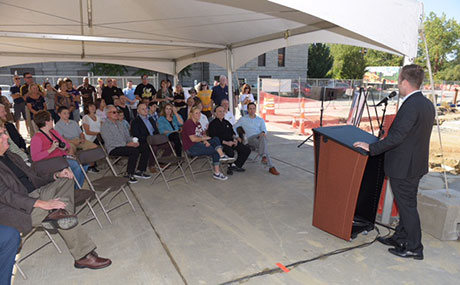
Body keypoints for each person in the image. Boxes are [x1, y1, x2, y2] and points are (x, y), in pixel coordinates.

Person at [0, 121, 112, 270]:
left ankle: (59, 213)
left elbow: (34, 176)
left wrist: (56, 175)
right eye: (1, 134)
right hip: (19, 208)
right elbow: (7, 196)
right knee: (64, 218)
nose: (6, 136)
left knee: (66, 178)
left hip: (36, 193)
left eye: (4, 132)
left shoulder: (11, 156)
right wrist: (42, 204)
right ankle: (83, 256)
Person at [353, 64, 435, 260]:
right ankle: (400, 237)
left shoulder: (411, 105)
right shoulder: (426, 104)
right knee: (408, 204)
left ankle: (415, 248)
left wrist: (371, 148)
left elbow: (397, 136)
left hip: (404, 167)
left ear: (405, 82)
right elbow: (410, 135)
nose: (398, 85)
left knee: (407, 208)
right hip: (415, 165)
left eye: (399, 81)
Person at [30, 110, 88, 189]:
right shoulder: (37, 138)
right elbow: (35, 157)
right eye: (51, 119)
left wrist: (64, 147)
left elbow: (66, 144)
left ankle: (77, 188)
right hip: (50, 162)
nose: (52, 121)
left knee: (84, 164)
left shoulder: (53, 132)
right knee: (76, 166)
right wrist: (51, 149)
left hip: (61, 158)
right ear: (46, 122)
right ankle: (74, 189)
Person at [100, 105, 151, 183]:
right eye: (114, 112)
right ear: (108, 114)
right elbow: (110, 141)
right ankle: (129, 174)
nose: (116, 113)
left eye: (117, 112)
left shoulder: (120, 123)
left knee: (145, 146)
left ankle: (141, 170)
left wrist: (134, 142)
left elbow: (127, 136)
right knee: (134, 151)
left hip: (125, 145)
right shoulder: (104, 126)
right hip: (114, 148)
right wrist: (127, 144)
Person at [181, 106, 232, 181]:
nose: (198, 115)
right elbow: (193, 139)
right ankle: (217, 171)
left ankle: (222, 156)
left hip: (199, 144)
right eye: (196, 113)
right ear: (191, 114)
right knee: (215, 150)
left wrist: (205, 141)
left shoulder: (198, 123)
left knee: (215, 139)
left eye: (199, 113)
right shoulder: (189, 123)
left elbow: (201, 135)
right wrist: (204, 139)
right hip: (192, 147)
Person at [234, 103, 280, 175]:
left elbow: (264, 130)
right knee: (264, 142)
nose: (252, 110)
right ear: (248, 110)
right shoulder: (243, 119)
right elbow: (234, 127)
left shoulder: (260, 120)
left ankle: (266, 159)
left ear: (255, 109)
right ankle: (269, 164)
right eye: (250, 109)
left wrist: (262, 133)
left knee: (263, 137)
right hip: (250, 139)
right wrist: (236, 136)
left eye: (253, 109)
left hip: (259, 138)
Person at [208, 105, 251, 173]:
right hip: (221, 144)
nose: (222, 113)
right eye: (219, 111)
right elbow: (213, 137)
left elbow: (232, 133)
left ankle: (236, 165)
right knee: (230, 152)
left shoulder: (227, 122)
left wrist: (235, 139)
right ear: (215, 113)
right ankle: (229, 167)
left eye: (223, 111)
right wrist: (226, 143)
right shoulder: (212, 124)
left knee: (246, 150)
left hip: (231, 142)